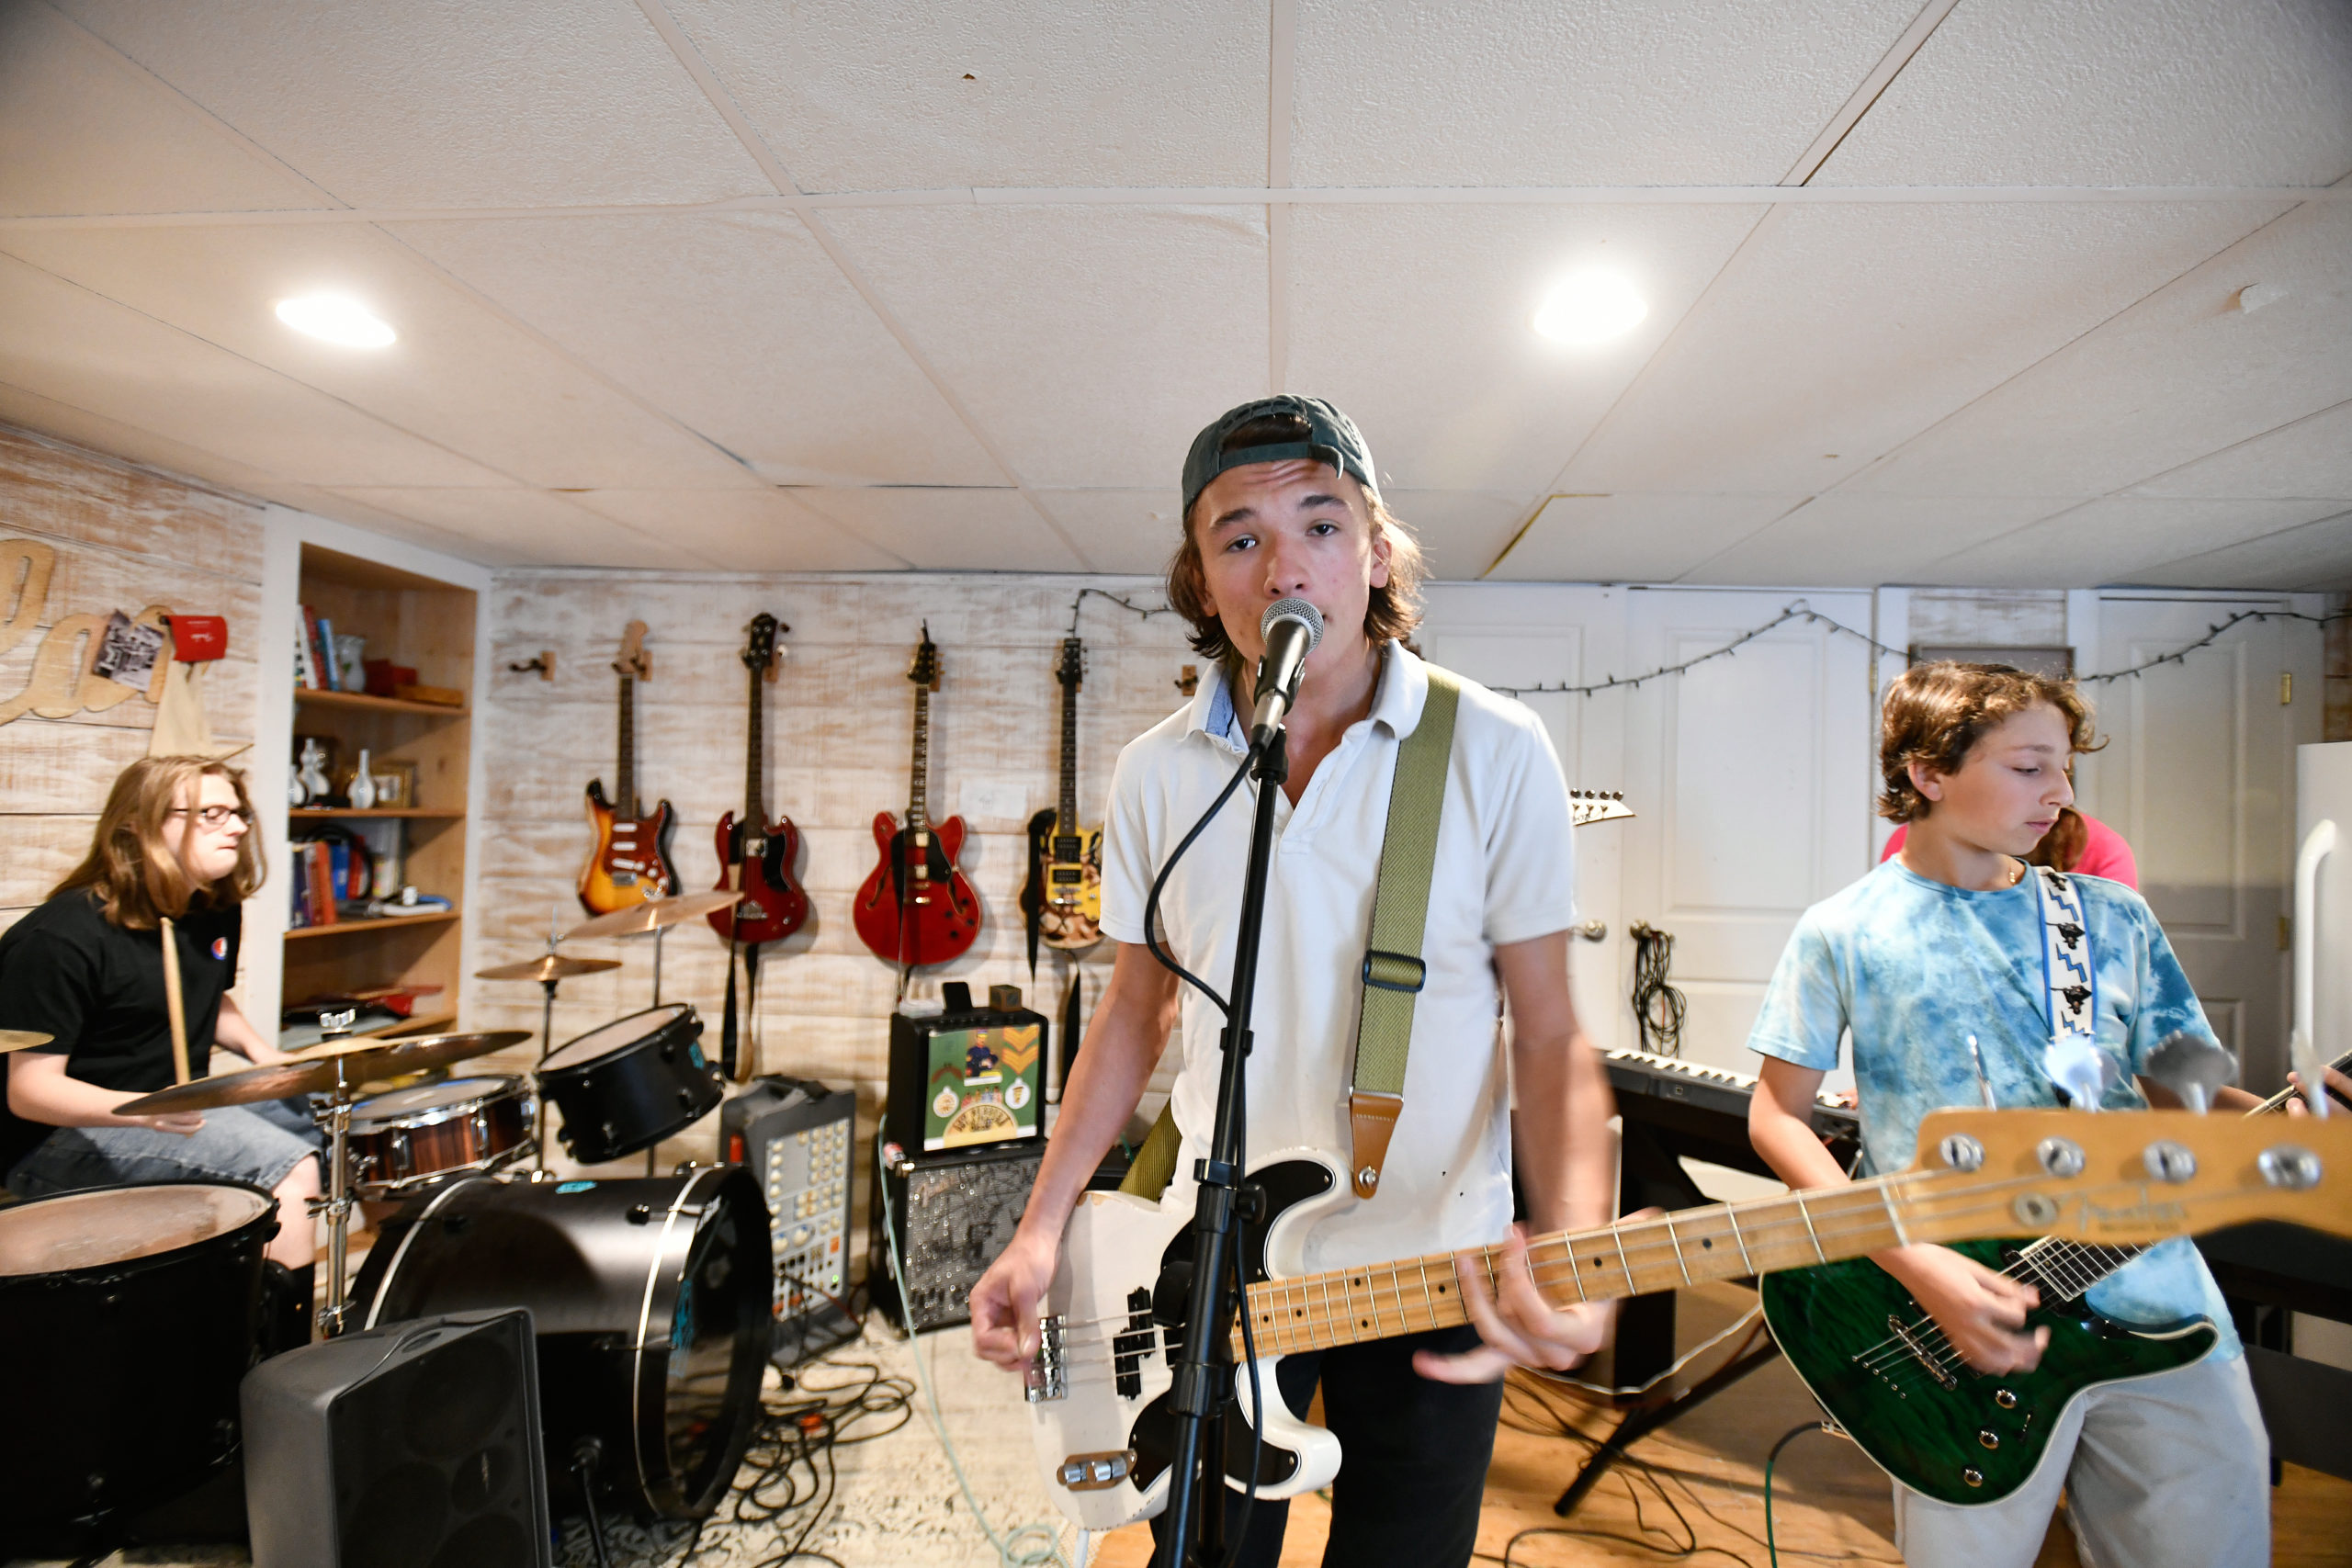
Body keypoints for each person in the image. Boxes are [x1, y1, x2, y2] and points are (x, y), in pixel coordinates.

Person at [968, 396, 1619, 1568]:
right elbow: (1134, 1010)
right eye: (1239, 537)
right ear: (1203, 579)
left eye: (1321, 525)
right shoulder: (1157, 773)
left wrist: (1573, 1234)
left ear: (1375, 552)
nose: (1285, 565)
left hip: (1435, 1264)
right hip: (1217, 1264)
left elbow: (1553, 1033)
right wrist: (1040, 1228)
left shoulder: (1493, 746)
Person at [1747, 662, 2270, 1568]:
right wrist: (1917, 1270)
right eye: (2030, 767)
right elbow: (1777, 1118)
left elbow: (2184, 1090)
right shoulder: (1843, 929)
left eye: (2065, 768)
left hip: (2158, 1298)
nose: (2060, 793)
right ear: (1927, 772)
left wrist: (2295, 1115)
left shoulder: (2107, 918)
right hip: (1963, 1319)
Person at [1, 756, 322, 1303]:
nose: (240, 826)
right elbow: (29, 1093)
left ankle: (227, 1298)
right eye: (213, 813)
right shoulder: (60, 939)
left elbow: (207, 999)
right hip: (54, 1139)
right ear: (139, 825)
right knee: (291, 1168)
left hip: (165, 1109)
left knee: (317, 1118)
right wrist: (144, 1109)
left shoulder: (209, 909)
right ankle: (275, 1353)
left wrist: (264, 1055)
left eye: (239, 812)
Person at [1880, 801, 2138, 887]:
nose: (2064, 793)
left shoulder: (2101, 848)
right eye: (2027, 768)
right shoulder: (1911, 844)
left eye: (2063, 763)